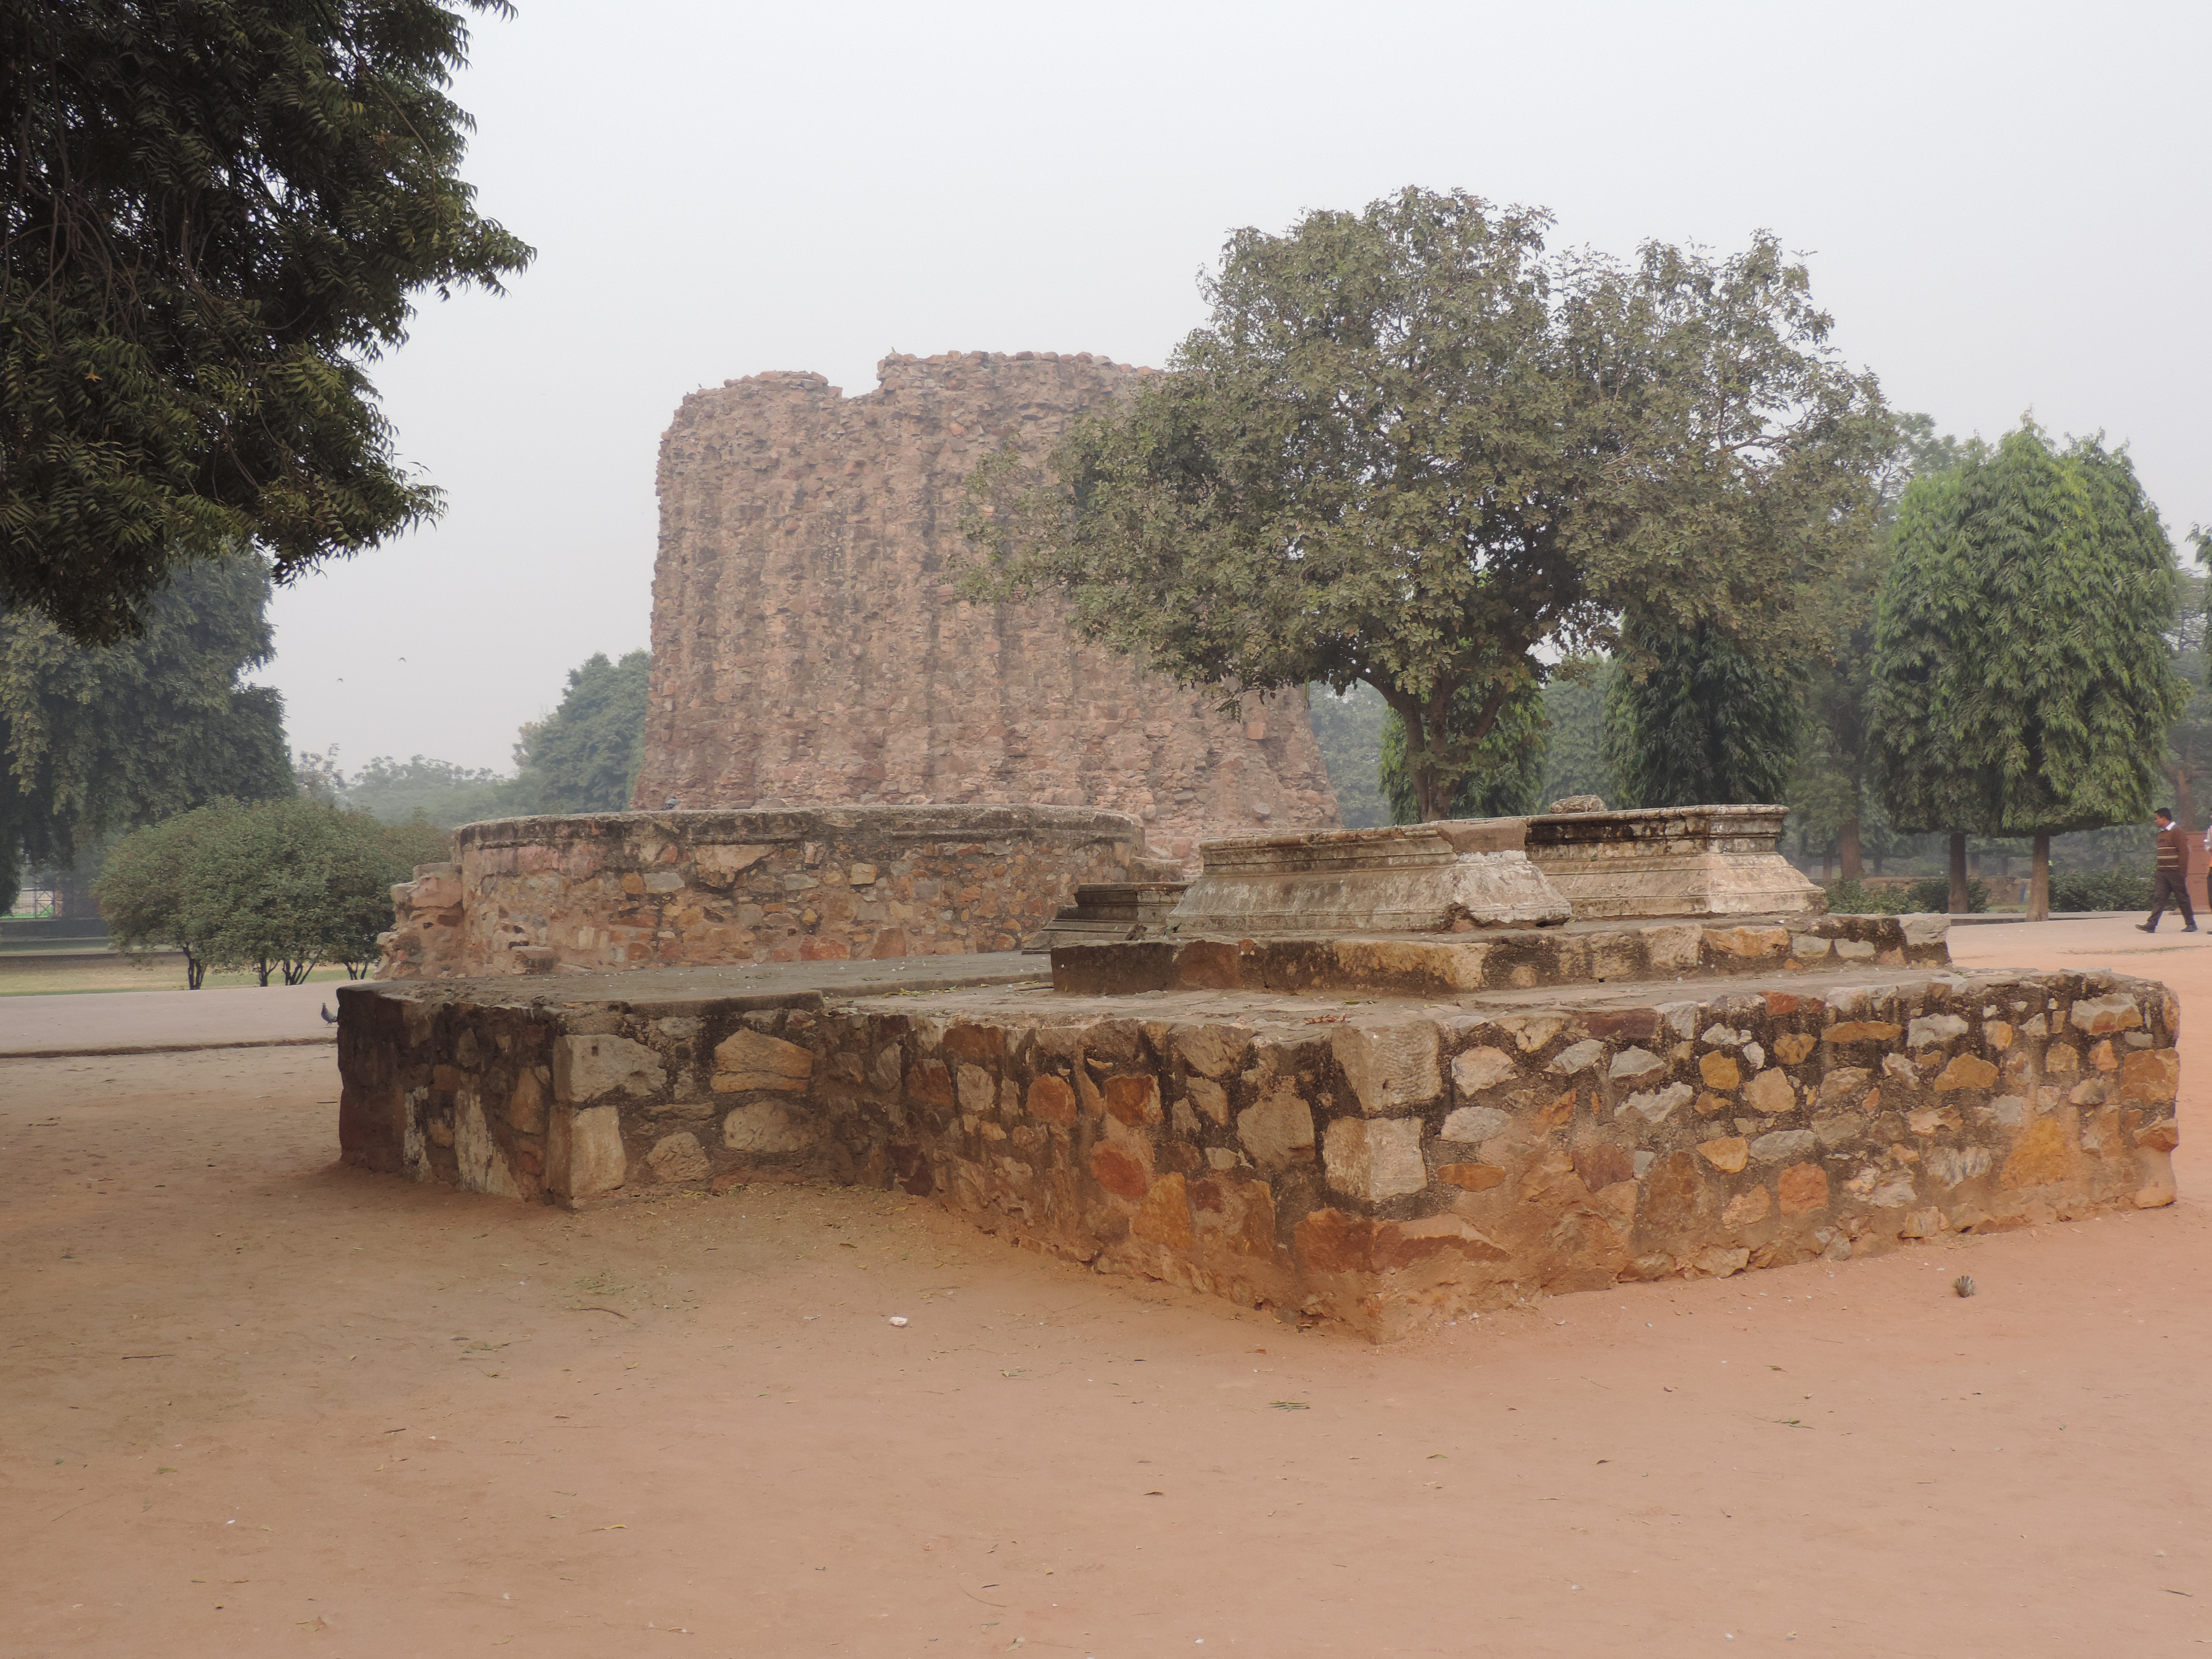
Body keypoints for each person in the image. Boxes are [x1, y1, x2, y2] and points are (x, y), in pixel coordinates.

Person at [2140, 808, 2198, 933]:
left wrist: (2182, 872)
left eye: (2157, 818)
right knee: (2159, 898)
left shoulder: (2177, 832)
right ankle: (2151, 924)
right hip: (2162, 872)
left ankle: (2191, 924)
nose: (2155, 821)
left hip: (2175, 872)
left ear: (2164, 818)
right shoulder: (2162, 833)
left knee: (2182, 898)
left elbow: (2184, 852)